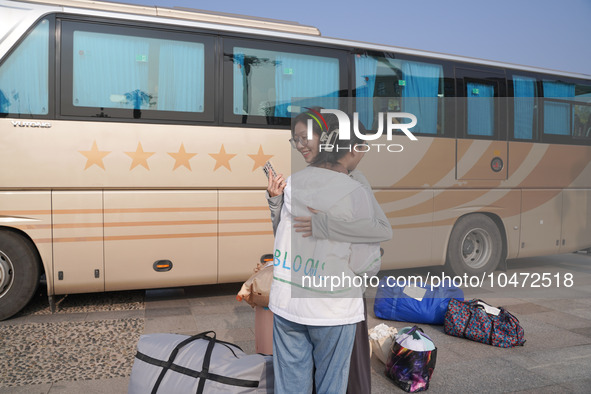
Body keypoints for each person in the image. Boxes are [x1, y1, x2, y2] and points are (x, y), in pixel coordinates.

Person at [268, 111, 392, 394]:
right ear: (348, 150)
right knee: (331, 384)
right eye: (361, 147)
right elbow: (364, 262)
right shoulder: (355, 191)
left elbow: (283, 238)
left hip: (287, 300)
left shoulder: (292, 183)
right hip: (332, 307)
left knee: (290, 385)